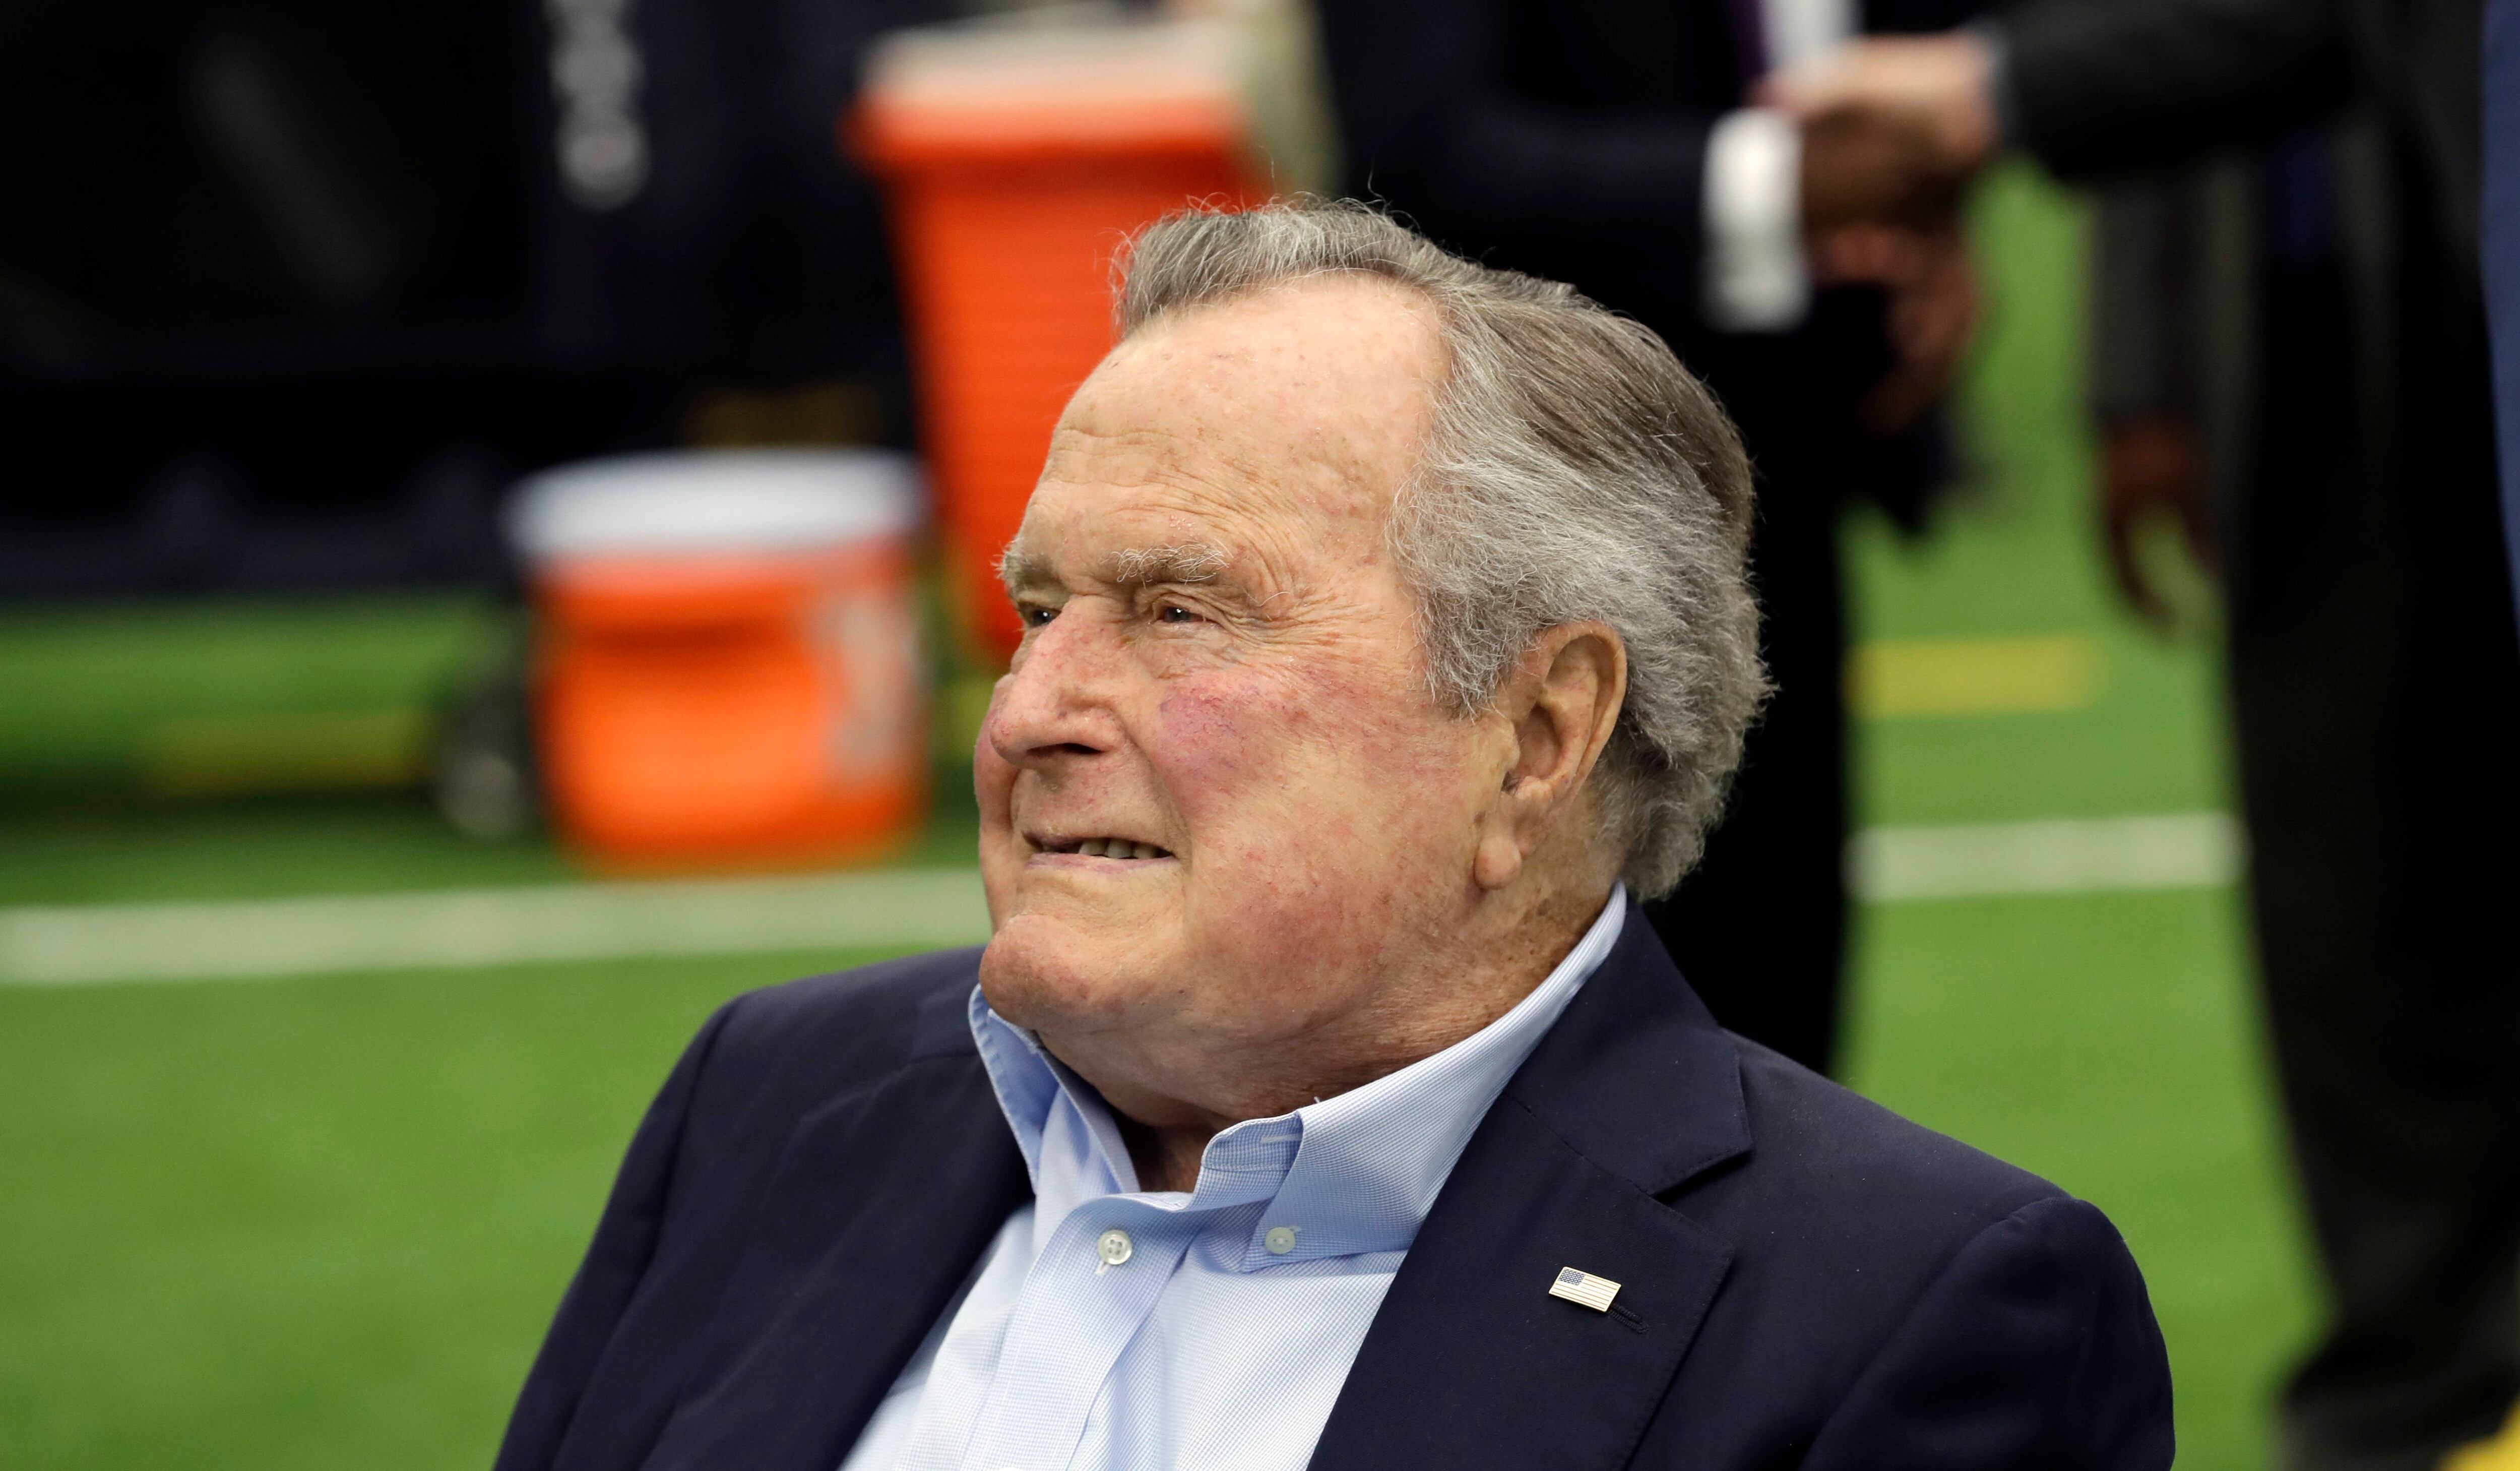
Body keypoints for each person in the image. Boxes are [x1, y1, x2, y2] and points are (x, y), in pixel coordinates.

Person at [491, 201, 2172, 1471]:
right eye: (1040, 611)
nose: (1026, 713)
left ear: (1536, 736)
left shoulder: (1900, 1311)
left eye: (1177, 611)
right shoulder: (777, 1094)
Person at [1773, 15, 2520, 1470]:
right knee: (2345, 876)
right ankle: (2415, 1373)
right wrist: (2137, 374)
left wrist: (1991, 95)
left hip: (2450, 266)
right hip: (2307, 328)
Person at [1315, 0, 1986, 1074]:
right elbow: (1419, 146)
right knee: (1537, 1001)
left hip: (1784, 452)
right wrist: (1773, 184)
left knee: (1773, 1001)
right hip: (1525, 474)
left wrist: (1916, 224)